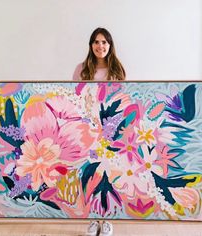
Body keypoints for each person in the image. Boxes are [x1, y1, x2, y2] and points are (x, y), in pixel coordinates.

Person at [73, 27, 125, 236]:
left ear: (110, 45)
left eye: (104, 42)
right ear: (91, 45)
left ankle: (108, 219)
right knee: (89, 172)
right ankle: (94, 219)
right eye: (96, 42)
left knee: (110, 173)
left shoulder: (117, 70)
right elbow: (74, 97)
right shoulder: (82, 69)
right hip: (87, 127)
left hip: (110, 129)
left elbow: (122, 100)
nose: (100, 46)